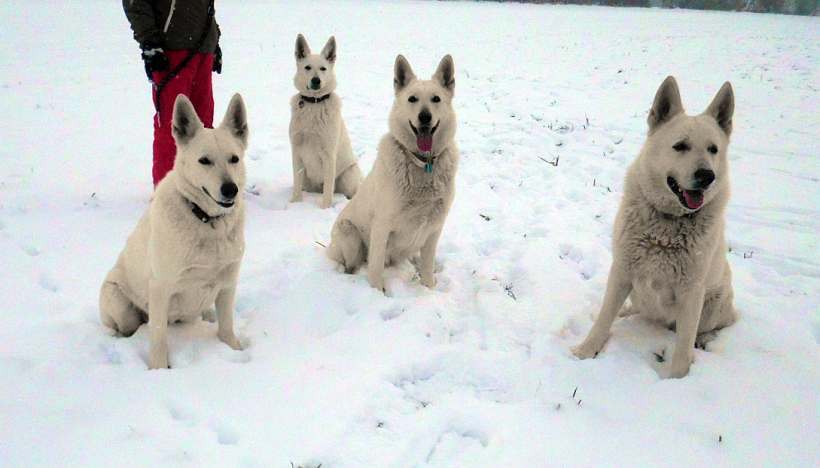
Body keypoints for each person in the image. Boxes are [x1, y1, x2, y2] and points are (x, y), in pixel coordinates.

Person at [123, 0, 223, 186]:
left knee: (203, 125)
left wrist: (214, 39)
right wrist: (149, 40)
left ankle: (205, 185)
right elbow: (135, 3)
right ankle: (166, 190)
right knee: (172, 125)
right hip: (171, 52)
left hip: (202, 49)